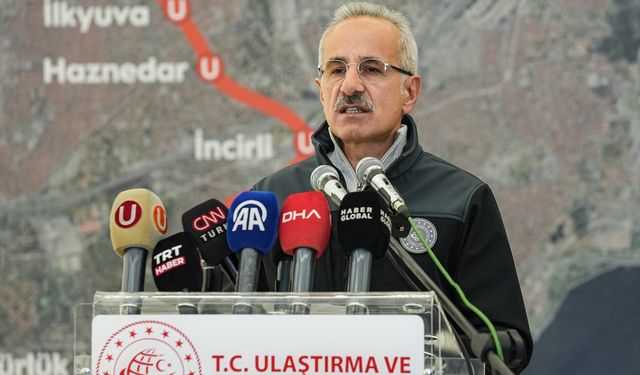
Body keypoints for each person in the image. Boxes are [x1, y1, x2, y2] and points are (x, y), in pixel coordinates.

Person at [253, 2, 532, 372]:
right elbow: (237, 325)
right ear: (321, 91)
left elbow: (505, 341)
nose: (350, 86)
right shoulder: (272, 198)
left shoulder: (462, 200)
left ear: (409, 92)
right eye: (337, 70)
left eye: (371, 69)